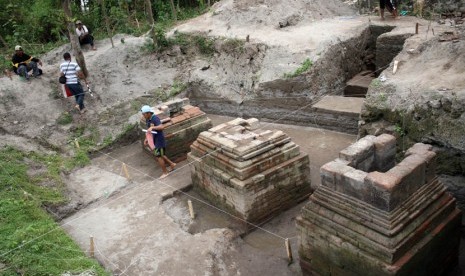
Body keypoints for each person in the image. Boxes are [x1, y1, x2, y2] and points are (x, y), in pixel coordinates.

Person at [141, 105, 176, 179]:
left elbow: (161, 127)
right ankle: (172, 164)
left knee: (158, 156)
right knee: (160, 154)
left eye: (144, 114)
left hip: (159, 140)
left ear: (148, 113)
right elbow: (149, 130)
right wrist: (146, 138)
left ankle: (165, 172)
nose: (143, 116)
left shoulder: (155, 118)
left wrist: (153, 127)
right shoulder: (148, 119)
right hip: (155, 139)